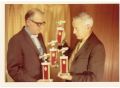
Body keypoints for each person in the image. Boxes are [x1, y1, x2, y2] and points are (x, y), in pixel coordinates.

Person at [58, 12, 106, 82]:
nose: (74, 32)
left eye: (76, 28)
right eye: (73, 28)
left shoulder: (97, 47)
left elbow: (95, 79)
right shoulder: (80, 40)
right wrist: (62, 42)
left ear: (88, 27)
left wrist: (71, 77)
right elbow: (73, 58)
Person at [7, 8, 47, 82]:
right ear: (28, 22)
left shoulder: (40, 36)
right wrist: (34, 83)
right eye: (38, 24)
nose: (41, 27)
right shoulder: (15, 40)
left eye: (43, 23)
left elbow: (42, 58)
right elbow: (13, 70)